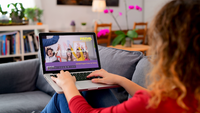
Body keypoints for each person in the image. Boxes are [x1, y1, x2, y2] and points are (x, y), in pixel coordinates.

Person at [42, 0, 200, 112]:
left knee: (63, 96)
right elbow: (156, 97)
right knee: (93, 88)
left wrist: (68, 84)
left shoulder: (147, 105)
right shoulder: (185, 95)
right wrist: (119, 79)